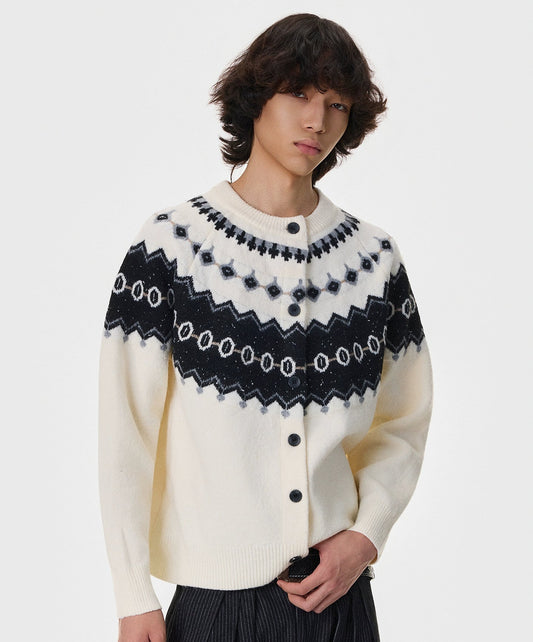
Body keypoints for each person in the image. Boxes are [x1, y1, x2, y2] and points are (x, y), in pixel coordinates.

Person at [98, 12, 434, 642]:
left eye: (337, 104)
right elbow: (126, 432)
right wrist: (132, 594)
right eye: (298, 93)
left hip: (339, 600)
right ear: (255, 98)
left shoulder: (373, 259)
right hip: (214, 606)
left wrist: (367, 534)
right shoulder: (172, 246)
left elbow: (403, 421)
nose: (317, 121)